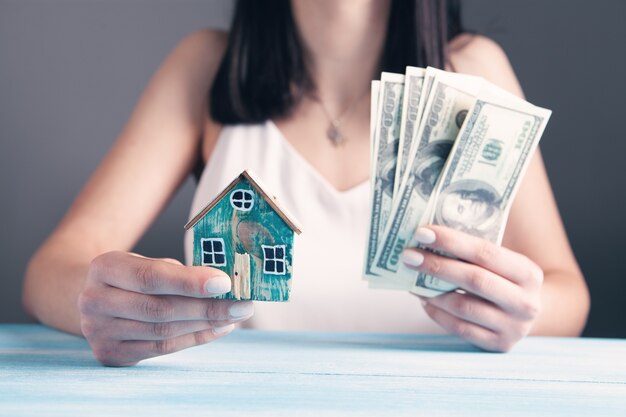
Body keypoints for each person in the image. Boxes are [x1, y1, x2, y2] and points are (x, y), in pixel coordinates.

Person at [22, 0, 590, 367]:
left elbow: (568, 296)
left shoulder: (477, 70)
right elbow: (52, 269)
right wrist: (99, 303)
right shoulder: (205, 69)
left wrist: (523, 310)